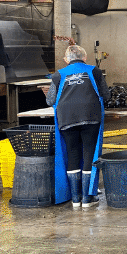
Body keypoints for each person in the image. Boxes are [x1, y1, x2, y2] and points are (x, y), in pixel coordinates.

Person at [44, 45, 110, 209]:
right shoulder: (95, 71)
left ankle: (75, 199)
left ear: (66, 60)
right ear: (85, 57)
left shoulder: (58, 75)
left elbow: (50, 101)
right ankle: (88, 198)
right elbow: (106, 95)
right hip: (90, 117)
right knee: (89, 154)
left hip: (67, 119)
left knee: (72, 154)